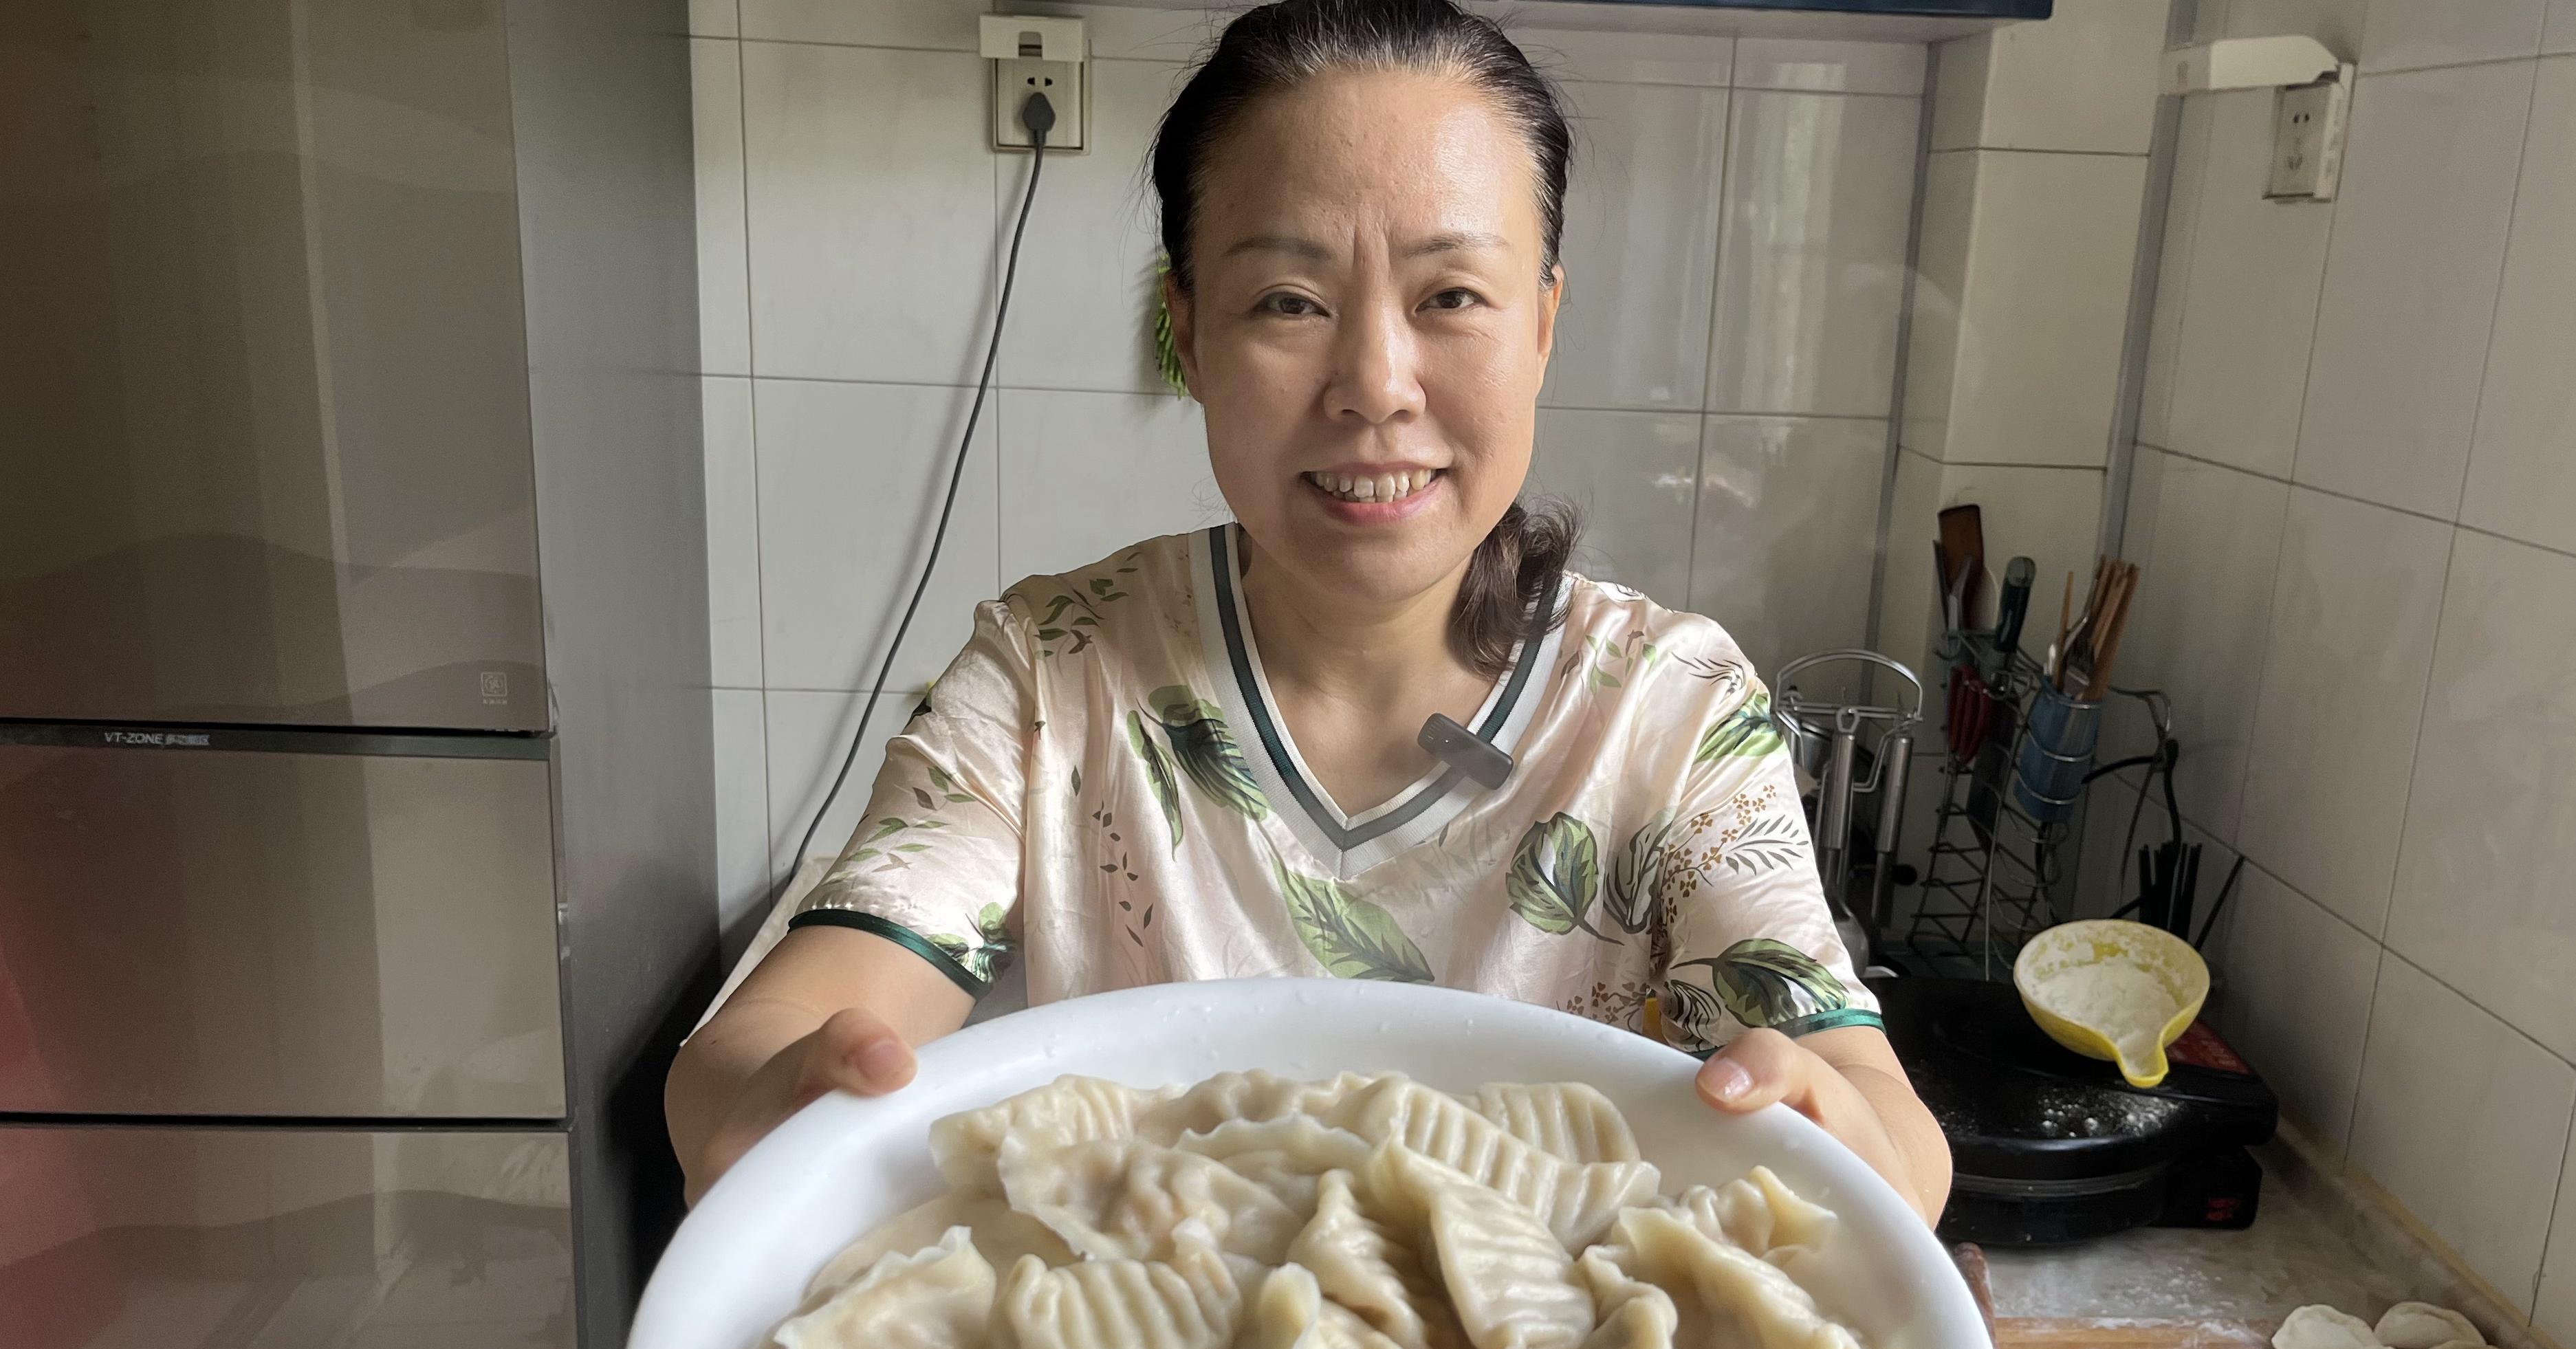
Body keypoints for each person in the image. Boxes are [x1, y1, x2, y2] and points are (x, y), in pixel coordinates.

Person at [665, 0, 1950, 1220]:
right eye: (1289, 303)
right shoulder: (1055, 675)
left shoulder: (1670, 712)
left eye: (1452, 296)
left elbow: (1886, 1128)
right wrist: (785, 1096)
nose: (1376, 385)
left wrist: (1841, 1135)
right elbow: (759, 1049)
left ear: (1544, 324)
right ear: (1188, 334)